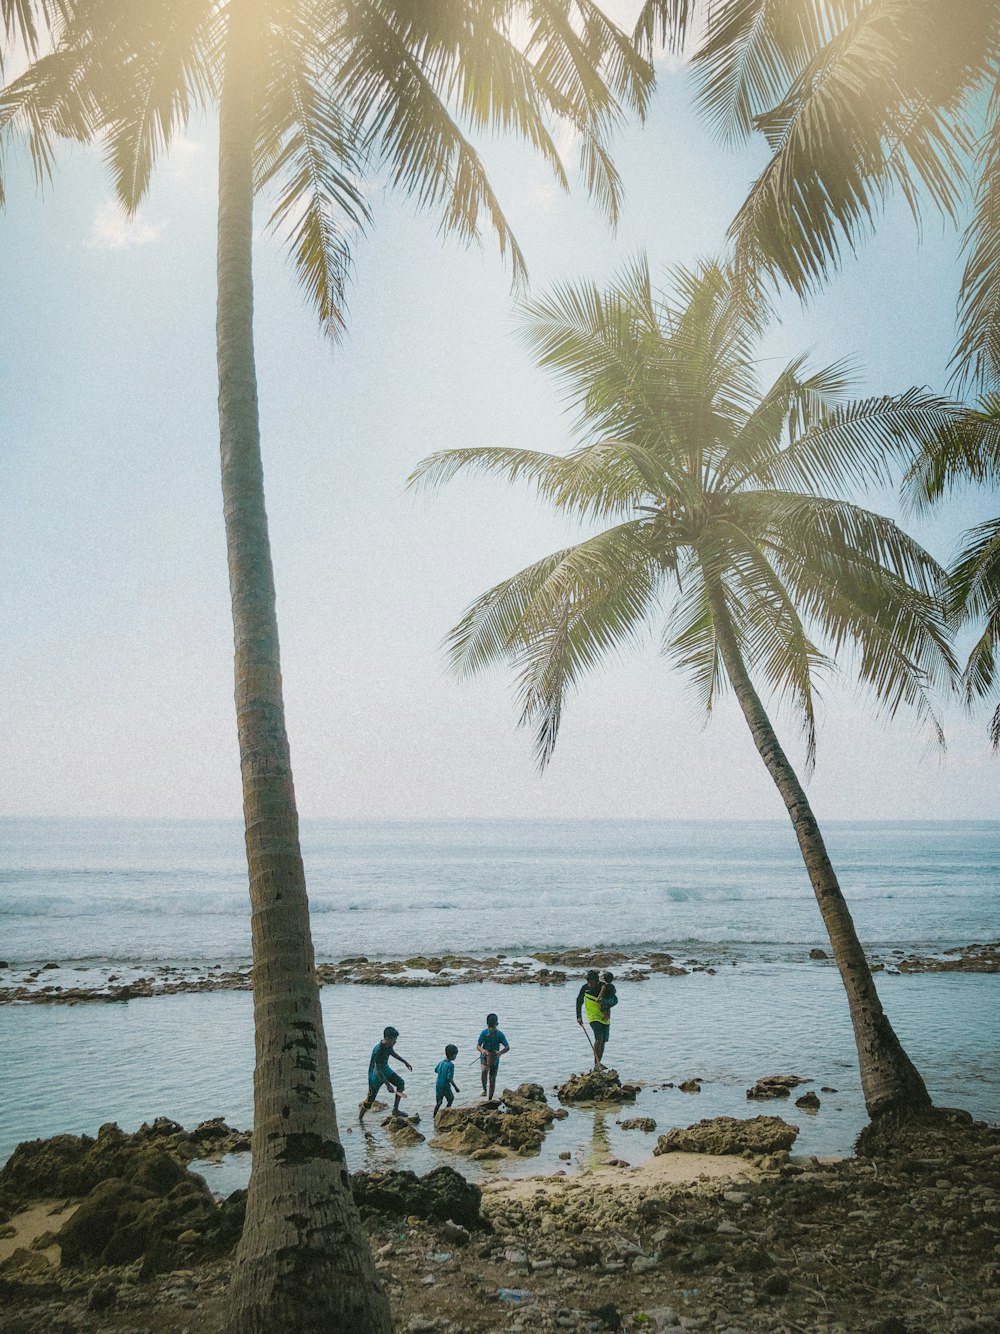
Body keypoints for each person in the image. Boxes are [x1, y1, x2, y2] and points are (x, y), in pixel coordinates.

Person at [360, 1025, 412, 1120]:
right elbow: (378, 1070)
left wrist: (405, 1062)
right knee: (370, 1100)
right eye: (394, 1040)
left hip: (386, 1070)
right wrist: (388, 1085)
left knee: (400, 1083)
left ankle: (395, 1110)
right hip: (375, 1076)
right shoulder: (378, 1050)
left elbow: (393, 1054)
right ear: (387, 1039)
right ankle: (360, 1119)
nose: (395, 1042)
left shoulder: (388, 1045)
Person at [575, 968, 616, 1068]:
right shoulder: (584, 988)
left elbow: (610, 1000)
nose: (589, 982)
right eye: (587, 980)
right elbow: (579, 1001)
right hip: (593, 1017)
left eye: (591, 981)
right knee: (599, 1038)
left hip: (604, 1017)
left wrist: (608, 1009)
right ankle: (596, 1063)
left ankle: (598, 1063)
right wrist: (579, 1016)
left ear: (596, 980)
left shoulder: (603, 987)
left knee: (603, 1041)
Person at [477, 1012, 510, 1100]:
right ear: (487, 1025)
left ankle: (490, 1099)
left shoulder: (500, 1034)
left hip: (495, 1057)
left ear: (497, 1024)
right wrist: (483, 1050)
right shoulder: (484, 1033)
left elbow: (507, 1047)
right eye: (489, 1027)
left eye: (493, 1027)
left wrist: (500, 1053)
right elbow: (478, 1045)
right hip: (485, 1055)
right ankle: (484, 1089)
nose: (491, 1029)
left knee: (492, 1079)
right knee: (484, 1071)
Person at [434, 1043, 460, 1117]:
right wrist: (456, 1087)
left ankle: (434, 1116)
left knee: (439, 1102)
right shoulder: (451, 1065)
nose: (456, 1056)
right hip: (445, 1085)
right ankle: (446, 1112)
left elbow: (436, 1070)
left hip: (438, 1084)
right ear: (452, 1055)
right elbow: (449, 1078)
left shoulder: (441, 1062)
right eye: (455, 1055)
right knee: (451, 1098)